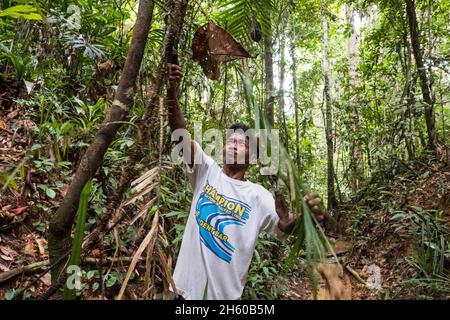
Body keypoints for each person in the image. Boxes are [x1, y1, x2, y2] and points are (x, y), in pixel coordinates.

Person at [166, 62, 326, 299]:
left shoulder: (258, 195)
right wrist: (171, 93)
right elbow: (180, 134)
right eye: (230, 141)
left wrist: (305, 215)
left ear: (251, 157)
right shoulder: (205, 171)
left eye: (241, 143)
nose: (233, 144)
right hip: (180, 292)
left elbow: (284, 226)